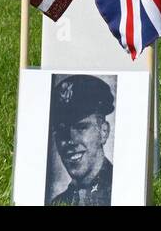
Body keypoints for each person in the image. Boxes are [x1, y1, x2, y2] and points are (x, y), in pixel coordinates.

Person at [47, 74, 115, 206]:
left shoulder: (122, 191)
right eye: (61, 130)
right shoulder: (59, 202)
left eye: (81, 127)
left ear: (103, 132)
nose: (70, 141)